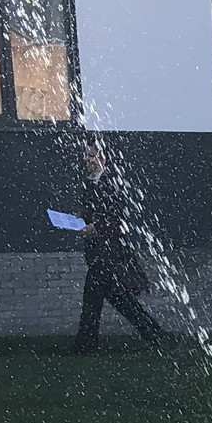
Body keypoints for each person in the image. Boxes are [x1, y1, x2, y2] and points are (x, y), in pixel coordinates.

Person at [73, 137, 165, 353]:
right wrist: (81, 221)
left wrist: (96, 227)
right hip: (100, 252)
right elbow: (97, 213)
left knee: (95, 300)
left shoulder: (110, 182)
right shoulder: (91, 182)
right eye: (86, 155)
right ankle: (155, 334)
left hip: (108, 253)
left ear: (103, 157)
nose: (87, 159)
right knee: (120, 300)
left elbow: (117, 217)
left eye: (91, 155)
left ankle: (86, 345)